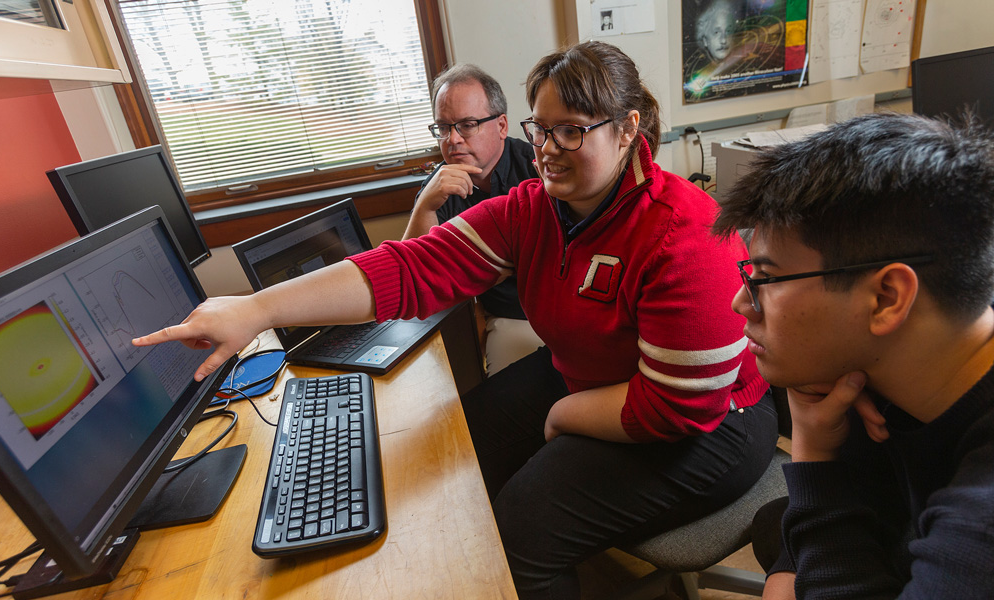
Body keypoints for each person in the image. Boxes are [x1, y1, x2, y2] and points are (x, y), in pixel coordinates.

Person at [133, 41, 777, 600]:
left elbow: (674, 409)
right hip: (601, 380)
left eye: (572, 130)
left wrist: (562, 418)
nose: (548, 150)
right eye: (541, 129)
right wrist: (256, 309)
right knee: (463, 448)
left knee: (526, 524)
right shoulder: (532, 210)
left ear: (629, 128)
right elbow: (408, 268)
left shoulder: (682, 233)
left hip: (709, 423)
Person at [712, 112, 994, 599]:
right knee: (776, 525)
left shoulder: (981, 526)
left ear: (886, 298)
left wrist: (814, 453)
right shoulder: (899, 363)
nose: (740, 302)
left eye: (765, 277)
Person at [406, 63, 542, 374]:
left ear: (502, 126)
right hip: (510, 318)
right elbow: (413, 281)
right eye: (443, 127)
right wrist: (425, 208)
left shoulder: (538, 165)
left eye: (467, 125)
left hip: (566, 310)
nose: (452, 139)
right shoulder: (436, 191)